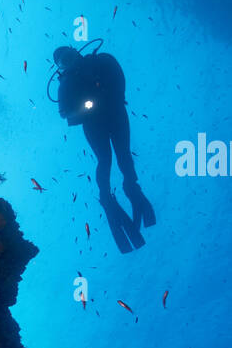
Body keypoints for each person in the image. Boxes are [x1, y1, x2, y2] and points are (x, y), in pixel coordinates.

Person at [53, 45, 156, 253]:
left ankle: (131, 186)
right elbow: (65, 114)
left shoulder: (101, 60)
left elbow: (119, 76)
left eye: (70, 55)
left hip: (116, 113)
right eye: (64, 61)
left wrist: (112, 96)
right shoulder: (65, 84)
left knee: (124, 155)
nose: (70, 61)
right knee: (105, 160)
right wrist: (85, 109)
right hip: (93, 123)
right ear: (61, 66)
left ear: (77, 52)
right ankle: (106, 196)